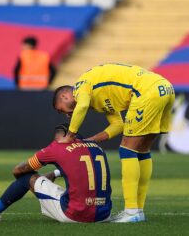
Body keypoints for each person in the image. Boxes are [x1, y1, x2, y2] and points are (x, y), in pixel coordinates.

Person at [52, 63, 175, 222]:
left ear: (64, 96)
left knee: (127, 150)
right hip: (165, 88)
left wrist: (70, 135)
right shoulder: (101, 96)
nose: (67, 115)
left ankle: (132, 212)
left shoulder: (81, 85)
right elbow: (118, 124)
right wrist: (93, 140)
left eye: (61, 110)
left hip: (146, 92)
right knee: (142, 150)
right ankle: (138, 210)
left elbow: (81, 105)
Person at [0, 123, 112, 223]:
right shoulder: (95, 146)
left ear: (66, 135)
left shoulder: (56, 147)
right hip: (104, 213)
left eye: (57, 136)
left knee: (26, 177)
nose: (55, 140)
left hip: (76, 214)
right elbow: (83, 168)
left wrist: (26, 182)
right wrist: (55, 173)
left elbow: (18, 170)